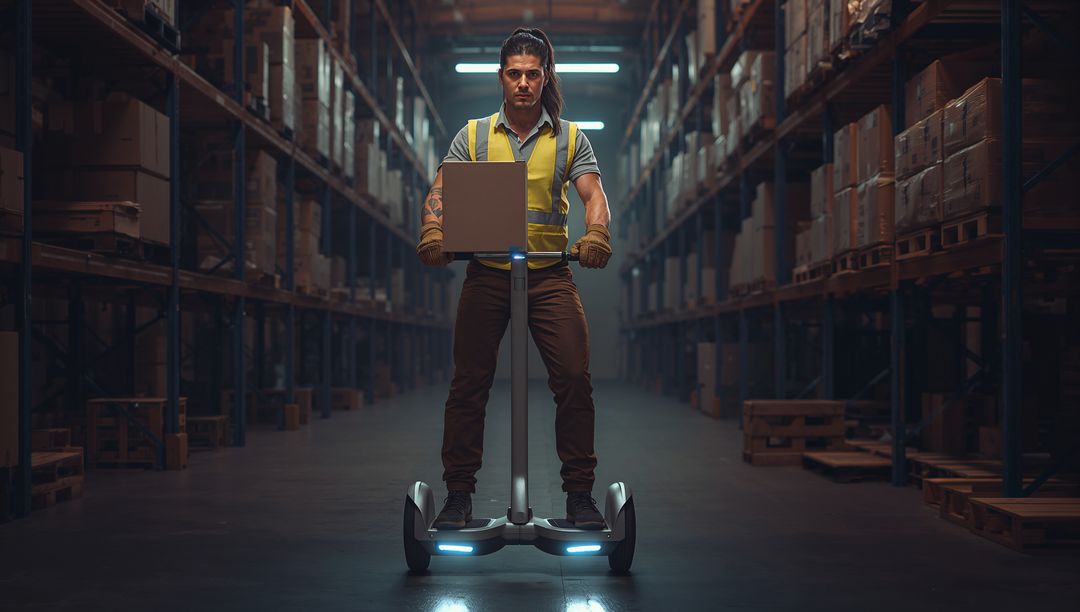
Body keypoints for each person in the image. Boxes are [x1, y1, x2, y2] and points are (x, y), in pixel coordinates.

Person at [415, 27, 613, 530]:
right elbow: (441, 189)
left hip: (549, 276)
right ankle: (458, 494)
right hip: (488, 274)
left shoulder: (570, 137)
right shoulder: (474, 135)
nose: (523, 83)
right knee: (469, 384)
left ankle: (580, 497)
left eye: (532, 74)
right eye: (514, 74)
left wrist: (596, 234)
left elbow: (593, 195)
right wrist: (433, 227)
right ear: (500, 78)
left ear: (545, 77)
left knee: (573, 378)